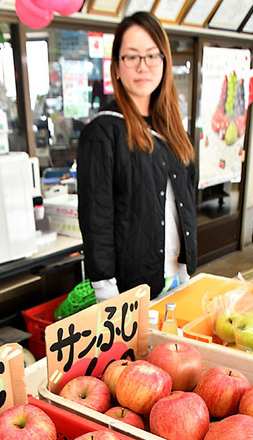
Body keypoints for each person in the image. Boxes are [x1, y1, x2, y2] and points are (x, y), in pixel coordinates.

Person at [77, 11, 197, 303]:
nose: (143, 66)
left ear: (164, 62)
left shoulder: (173, 129)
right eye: (131, 56)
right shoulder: (104, 131)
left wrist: (185, 269)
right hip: (128, 288)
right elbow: (96, 217)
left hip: (178, 276)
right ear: (116, 67)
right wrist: (106, 291)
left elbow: (186, 200)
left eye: (152, 55)